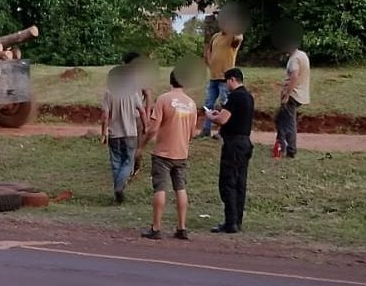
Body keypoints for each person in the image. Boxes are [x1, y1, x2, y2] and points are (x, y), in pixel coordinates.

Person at [138, 71, 198, 240]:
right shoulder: (192, 104)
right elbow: (192, 132)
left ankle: (156, 227)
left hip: (163, 153)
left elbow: (153, 128)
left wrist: (142, 145)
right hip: (181, 153)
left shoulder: (164, 99)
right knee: (180, 188)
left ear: (170, 81)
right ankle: (182, 227)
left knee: (160, 188)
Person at [205, 68, 254, 234]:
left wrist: (211, 116)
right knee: (240, 183)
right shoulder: (248, 96)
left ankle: (230, 222)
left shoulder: (235, 96)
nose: (226, 85)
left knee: (228, 183)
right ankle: (237, 220)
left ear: (232, 80)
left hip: (233, 145)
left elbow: (222, 119)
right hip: (245, 143)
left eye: (226, 82)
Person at [101, 55, 147, 203]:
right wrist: (145, 126)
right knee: (128, 162)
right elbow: (141, 110)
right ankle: (119, 188)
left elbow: (104, 115)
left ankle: (117, 193)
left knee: (116, 163)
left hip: (114, 134)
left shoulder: (108, 92)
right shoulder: (132, 92)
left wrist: (103, 132)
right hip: (130, 133)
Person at [200, 16, 244, 138]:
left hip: (226, 78)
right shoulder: (216, 36)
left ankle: (224, 131)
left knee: (226, 104)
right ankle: (206, 129)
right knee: (209, 103)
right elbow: (209, 50)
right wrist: (209, 62)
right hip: (213, 76)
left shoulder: (233, 36)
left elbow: (239, 38)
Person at [276, 40, 310, 158]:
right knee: (280, 119)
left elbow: (294, 76)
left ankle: (290, 149)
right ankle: (280, 145)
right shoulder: (302, 55)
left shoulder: (294, 59)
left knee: (288, 123)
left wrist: (287, 94)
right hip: (300, 94)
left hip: (293, 95)